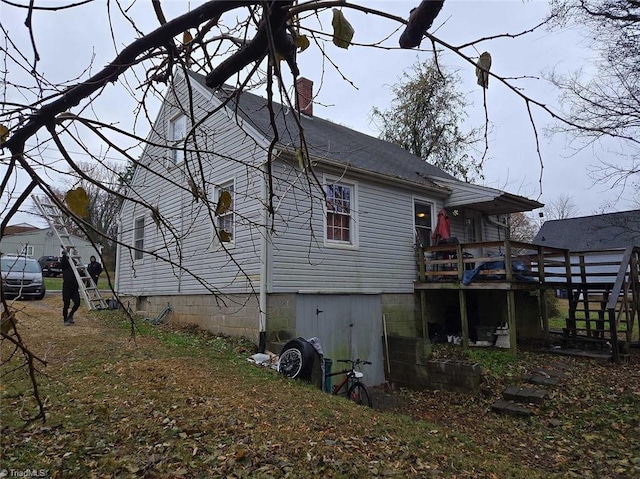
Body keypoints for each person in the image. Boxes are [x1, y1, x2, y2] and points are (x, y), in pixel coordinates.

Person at [60, 249, 80, 326]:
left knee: (77, 303)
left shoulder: (75, 269)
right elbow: (63, 261)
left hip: (74, 288)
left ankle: (70, 315)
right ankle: (65, 319)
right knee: (66, 304)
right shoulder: (65, 266)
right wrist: (65, 254)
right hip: (67, 288)